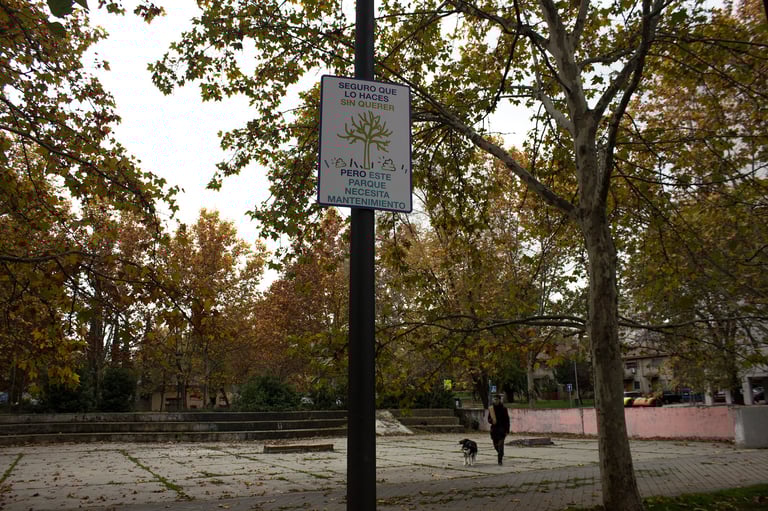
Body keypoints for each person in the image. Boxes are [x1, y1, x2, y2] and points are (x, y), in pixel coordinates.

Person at [488, 394, 510, 465]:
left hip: (502, 430)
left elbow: (507, 420)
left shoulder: (503, 409)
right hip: (494, 430)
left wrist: (507, 430)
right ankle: (501, 453)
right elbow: (488, 419)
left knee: (500, 445)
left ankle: (499, 460)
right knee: (496, 446)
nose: (495, 401)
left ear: (499, 400)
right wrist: (491, 421)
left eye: (497, 399)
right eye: (494, 399)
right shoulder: (491, 409)